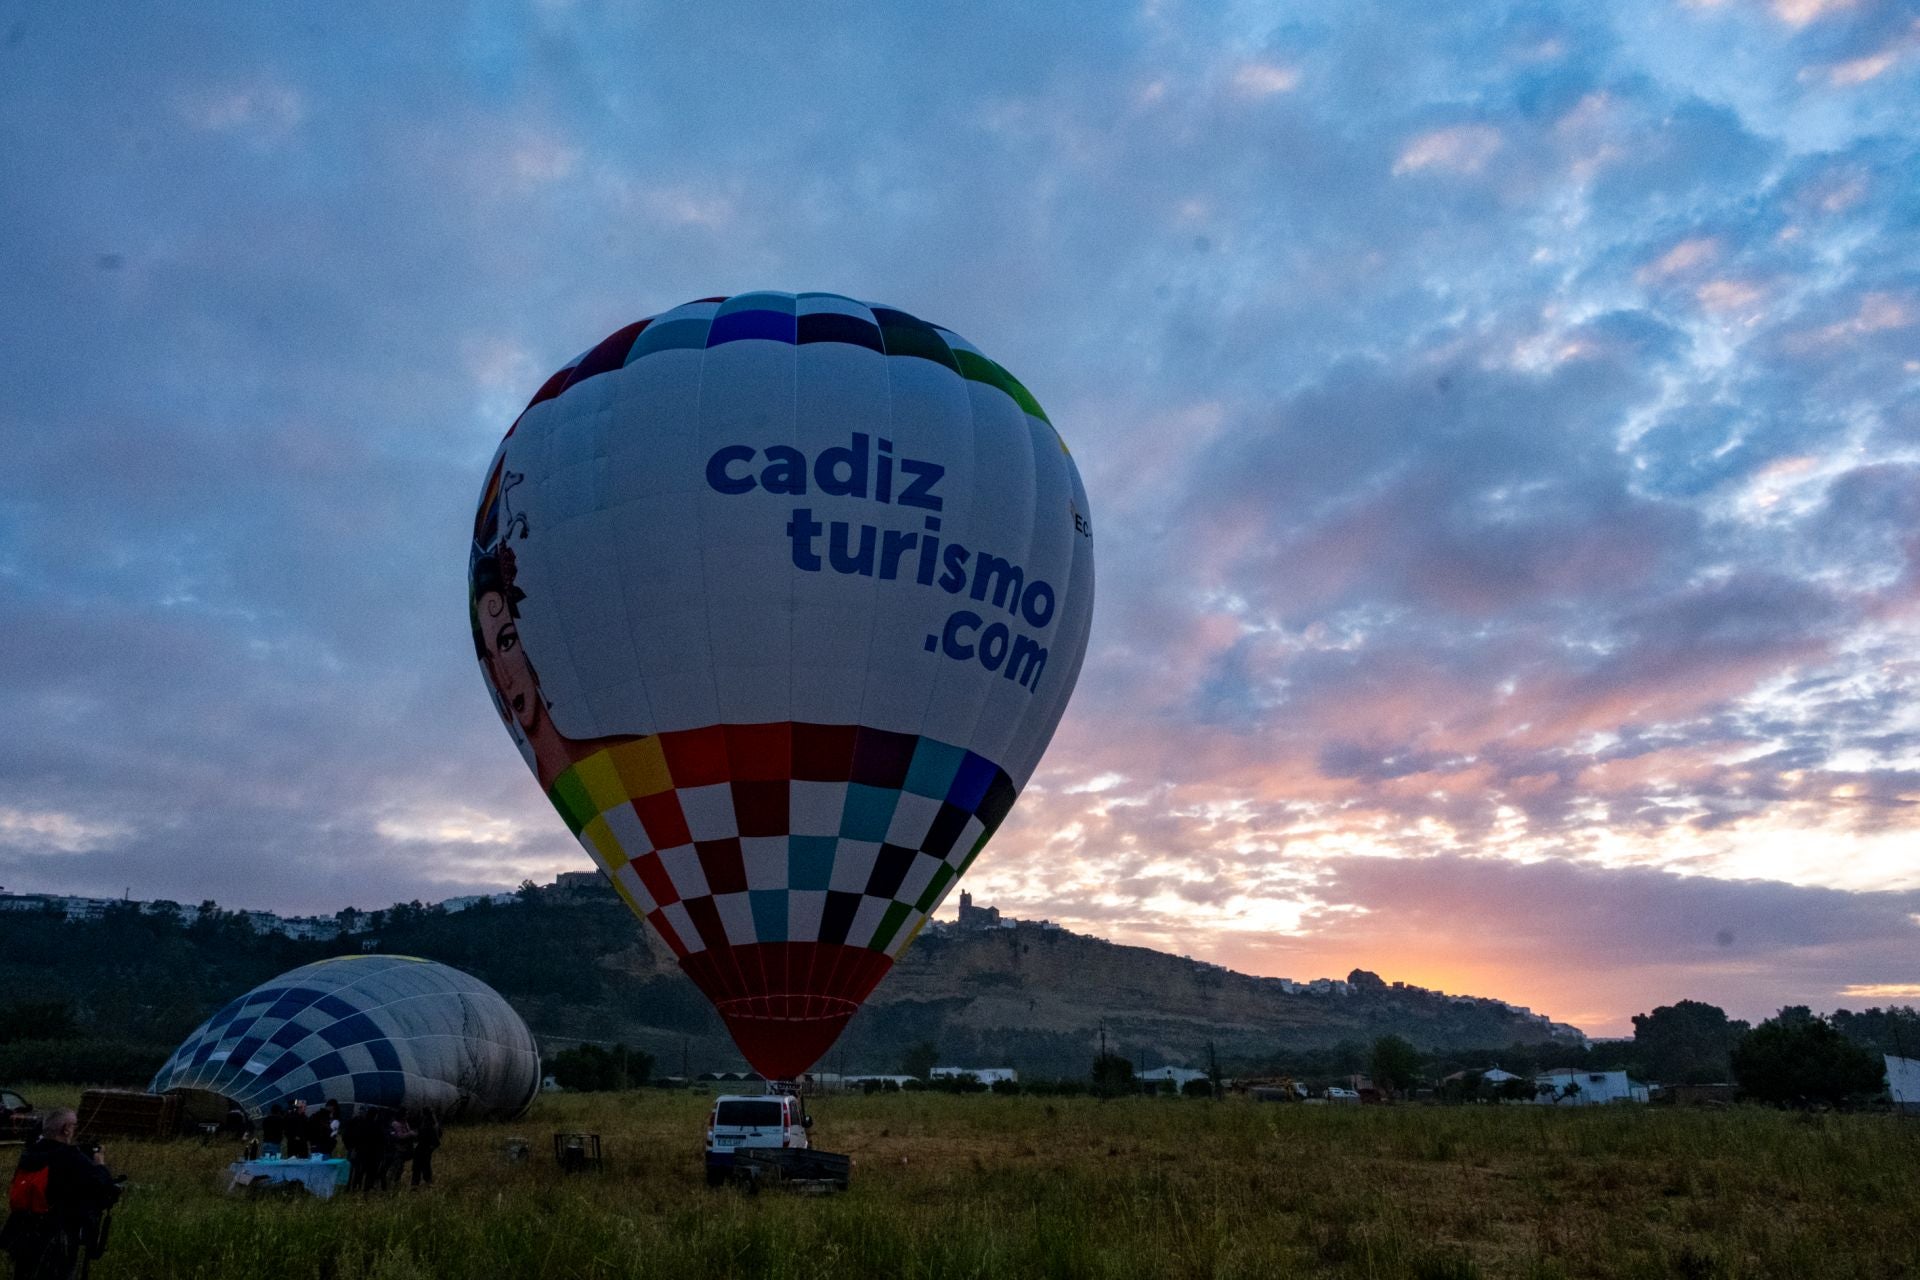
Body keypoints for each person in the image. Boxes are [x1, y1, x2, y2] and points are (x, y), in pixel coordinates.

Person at [1, 1108, 120, 1280]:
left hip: (22, 1234)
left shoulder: (29, 1154)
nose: (75, 1130)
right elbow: (104, 1187)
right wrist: (100, 1164)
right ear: (66, 1129)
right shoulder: (70, 1156)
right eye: (74, 1126)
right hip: (56, 1239)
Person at [409, 1110, 441, 1188]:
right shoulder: (433, 1125)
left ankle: (415, 1184)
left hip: (422, 1148)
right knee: (426, 1166)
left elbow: (434, 1141)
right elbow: (437, 1141)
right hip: (425, 1149)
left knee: (417, 1167)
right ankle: (427, 1183)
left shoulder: (427, 1126)